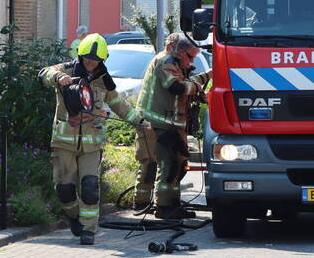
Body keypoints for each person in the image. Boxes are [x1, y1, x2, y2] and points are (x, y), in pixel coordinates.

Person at [39, 33, 149, 245]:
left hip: (92, 144)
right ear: (80, 56)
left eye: (95, 60)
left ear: (102, 60)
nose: (90, 63)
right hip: (64, 142)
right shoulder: (67, 69)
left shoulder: (104, 81)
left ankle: (89, 230)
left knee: (90, 187)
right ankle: (73, 217)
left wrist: (140, 121)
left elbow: (120, 105)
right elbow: (44, 73)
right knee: (64, 189)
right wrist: (57, 78)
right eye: (87, 59)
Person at [135, 33, 211, 219]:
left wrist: (208, 77)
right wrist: (197, 88)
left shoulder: (177, 64)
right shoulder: (165, 62)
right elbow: (176, 87)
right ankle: (158, 206)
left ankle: (172, 204)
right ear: (178, 50)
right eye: (190, 56)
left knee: (178, 164)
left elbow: (188, 84)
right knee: (162, 164)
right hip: (155, 123)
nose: (192, 60)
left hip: (172, 124)